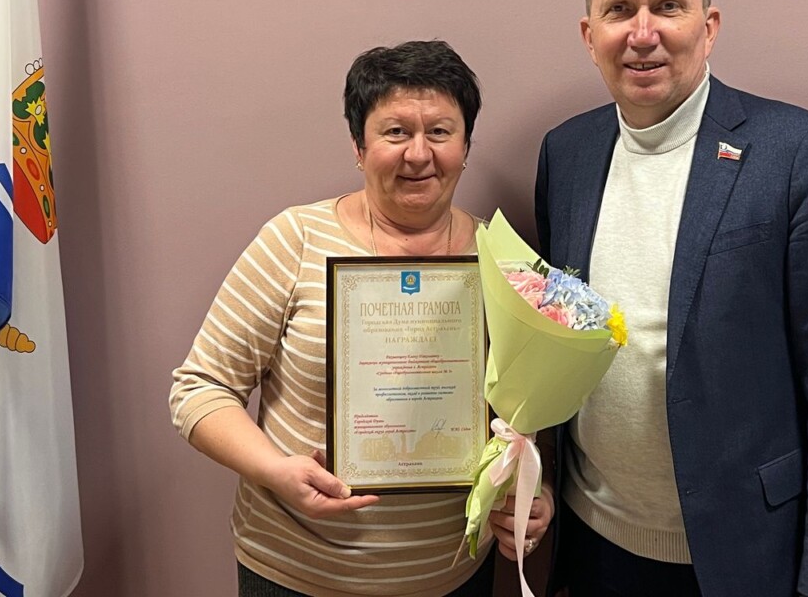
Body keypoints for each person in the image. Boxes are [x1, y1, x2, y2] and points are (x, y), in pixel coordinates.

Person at [535, 0, 808, 597]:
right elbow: (556, 347)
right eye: (619, 9)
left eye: (668, 6)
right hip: (593, 545)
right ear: (589, 34)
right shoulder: (566, 153)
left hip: (740, 558)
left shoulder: (798, 154)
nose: (643, 33)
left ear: (709, 25)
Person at [170, 40, 550, 597]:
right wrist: (275, 470)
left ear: (466, 146)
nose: (418, 154)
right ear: (358, 145)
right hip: (294, 572)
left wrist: (531, 494)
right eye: (395, 132)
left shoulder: (505, 261)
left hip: (451, 577)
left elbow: (525, 414)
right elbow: (199, 388)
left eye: (440, 132)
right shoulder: (295, 240)